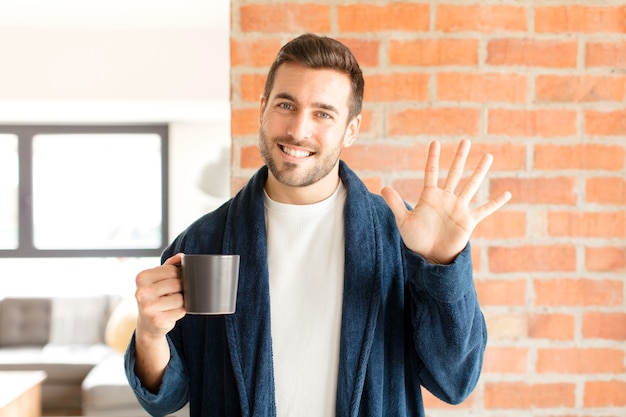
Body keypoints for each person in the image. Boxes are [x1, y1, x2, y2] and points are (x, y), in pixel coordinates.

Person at [125, 33, 511, 417]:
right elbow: (168, 395)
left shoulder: (402, 239)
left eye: (323, 113)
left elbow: (454, 381)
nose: (298, 130)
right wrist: (149, 333)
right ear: (262, 108)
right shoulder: (202, 241)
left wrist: (441, 267)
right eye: (286, 104)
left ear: (351, 129)